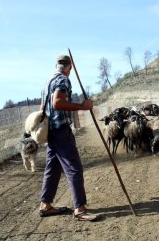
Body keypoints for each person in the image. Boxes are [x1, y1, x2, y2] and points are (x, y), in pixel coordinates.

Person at [38, 55, 98, 221]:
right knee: (74, 168)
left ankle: (45, 205)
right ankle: (80, 209)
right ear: (69, 68)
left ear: (56, 65)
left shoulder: (47, 82)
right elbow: (57, 102)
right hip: (60, 131)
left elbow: (43, 107)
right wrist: (82, 106)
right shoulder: (63, 80)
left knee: (53, 168)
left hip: (51, 131)